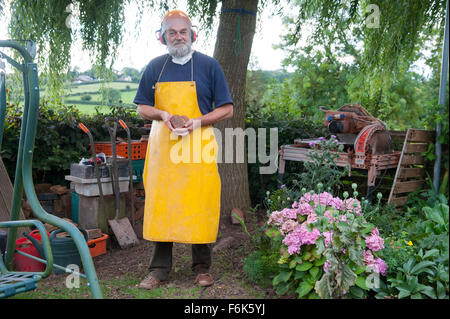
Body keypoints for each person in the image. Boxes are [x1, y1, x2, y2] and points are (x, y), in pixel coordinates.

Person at [133, 10, 233, 289]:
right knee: (162, 204)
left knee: (200, 203)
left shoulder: (209, 66)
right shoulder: (155, 67)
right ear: (162, 37)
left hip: (198, 146)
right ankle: (158, 269)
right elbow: (142, 107)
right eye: (172, 32)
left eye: (183, 31)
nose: (178, 36)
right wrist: (163, 115)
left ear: (193, 35)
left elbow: (227, 109)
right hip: (163, 150)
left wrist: (197, 122)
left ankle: (202, 268)